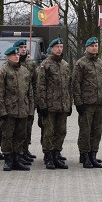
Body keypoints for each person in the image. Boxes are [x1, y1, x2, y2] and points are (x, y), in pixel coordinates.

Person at [72, 36, 102, 168]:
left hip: (99, 102)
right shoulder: (81, 64)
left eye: (96, 45)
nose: (95, 47)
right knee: (85, 131)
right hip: (87, 103)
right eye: (92, 45)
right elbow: (76, 84)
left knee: (97, 130)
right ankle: (85, 155)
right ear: (87, 48)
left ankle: (93, 154)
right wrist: (78, 102)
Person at [0, 46, 33, 171]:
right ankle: (8, 160)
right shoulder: (3, 71)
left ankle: (17, 159)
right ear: (8, 56)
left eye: (17, 55)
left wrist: (30, 110)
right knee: (7, 136)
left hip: (23, 110)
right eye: (14, 55)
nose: (17, 56)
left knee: (20, 136)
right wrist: (2, 111)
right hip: (9, 110)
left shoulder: (25, 71)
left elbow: (30, 93)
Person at [36, 37, 72, 170]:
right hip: (50, 106)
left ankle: (57, 154)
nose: (59, 49)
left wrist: (69, 104)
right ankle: (48, 156)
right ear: (51, 49)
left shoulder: (65, 65)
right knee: (49, 132)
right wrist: (42, 105)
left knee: (61, 131)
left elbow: (69, 86)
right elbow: (41, 87)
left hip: (62, 105)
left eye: (61, 47)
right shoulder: (45, 65)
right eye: (57, 47)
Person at [16, 39, 38, 162]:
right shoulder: (14, 63)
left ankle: (25, 149)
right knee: (18, 129)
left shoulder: (30, 64)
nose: (23, 49)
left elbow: (35, 82)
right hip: (15, 103)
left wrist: (35, 100)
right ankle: (18, 152)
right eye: (21, 47)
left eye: (25, 47)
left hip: (29, 101)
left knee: (28, 127)